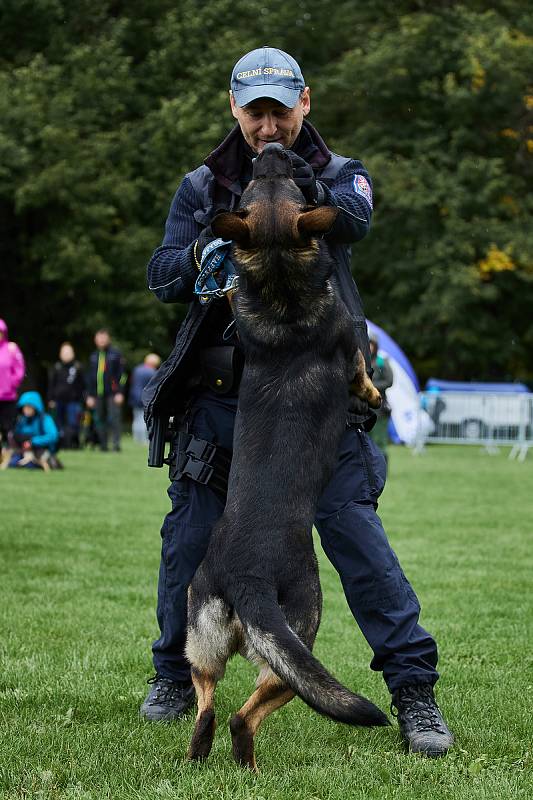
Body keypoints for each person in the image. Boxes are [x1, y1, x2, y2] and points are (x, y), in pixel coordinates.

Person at [140, 47, 453, 757]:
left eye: (280, 107)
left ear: (304, 102)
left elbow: (352, 220)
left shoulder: (339, 177)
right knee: (189, 539)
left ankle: (413, 691)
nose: (268, 122)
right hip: (223, 400)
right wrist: (199, 255)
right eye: (255, 110)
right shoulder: (200, 187)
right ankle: (172, 675)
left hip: (316, 403)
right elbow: (160, 275)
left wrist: (281, 208)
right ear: (234, 108)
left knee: (357, 542)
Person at [85, 329, 126, 452]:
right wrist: (89, 395)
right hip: (97, 394)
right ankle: (103, 445)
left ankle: (116, 445)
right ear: (95, 340)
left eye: (104, 338)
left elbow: (122, 375)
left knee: (114, 418)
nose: (102, 340)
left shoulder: (116, 354)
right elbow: (90, 377)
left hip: (113, 394)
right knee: (99, 419)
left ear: (108, 339)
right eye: (99, 338)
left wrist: (120, 392)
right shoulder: (93, 356)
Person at [6, 391, 60, 470]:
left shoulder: (45, 419)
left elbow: (53, 436)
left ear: (35, 407)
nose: (26, 410)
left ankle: (48, 461)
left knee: (30, 465)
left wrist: (33, 442)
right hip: (23, 450)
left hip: (40, 449)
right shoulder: (21, 420)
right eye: (25, 407)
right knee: (13, 463)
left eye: (29, 407)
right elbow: (16, 434)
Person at [48, 342, 86, 448]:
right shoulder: (57, 367)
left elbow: (82, 385)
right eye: (64, 352)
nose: (66, 354)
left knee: (73, 423)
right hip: (58, 401)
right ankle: (59, 443)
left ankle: (73, 443)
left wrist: (82, 398)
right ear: (60, 354)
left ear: (73, 353)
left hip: (73, 401)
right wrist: (51, 399)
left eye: (68, 352)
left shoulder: (78, 367)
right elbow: (52, 385)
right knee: (58, 423)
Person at [0, 318, 25, 455]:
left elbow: (19, 369)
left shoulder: (11, 348)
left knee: (8, 426)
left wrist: (12, 384)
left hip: (8, 396)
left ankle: (9, 452)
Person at [368, 333, 394, 466]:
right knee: (367, 442)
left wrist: (371, 387)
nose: (370, 347)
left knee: (380, 442)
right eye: (368, 343)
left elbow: (389, 381)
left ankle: (382, 469)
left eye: (372, 344)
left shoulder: (381, 362)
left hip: (380, 409)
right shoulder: (362, 362)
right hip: (366, 409)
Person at [129, 353, 161, 443]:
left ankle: (136, 438)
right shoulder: (152, 372)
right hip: (145, 398)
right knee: (144, 420)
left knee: (136, 419)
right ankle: (144, 440)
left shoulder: (137, 369)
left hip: (134, 397)